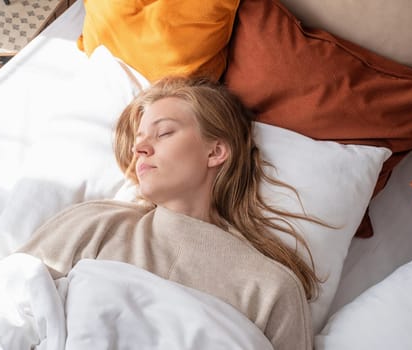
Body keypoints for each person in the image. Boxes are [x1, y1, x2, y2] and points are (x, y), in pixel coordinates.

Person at [19, 76, 323, 350]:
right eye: (138, 140)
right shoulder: (93, 225)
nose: (140, 149)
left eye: (163, 133)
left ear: (216, 152)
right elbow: (7, 308)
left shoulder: (270, 288)